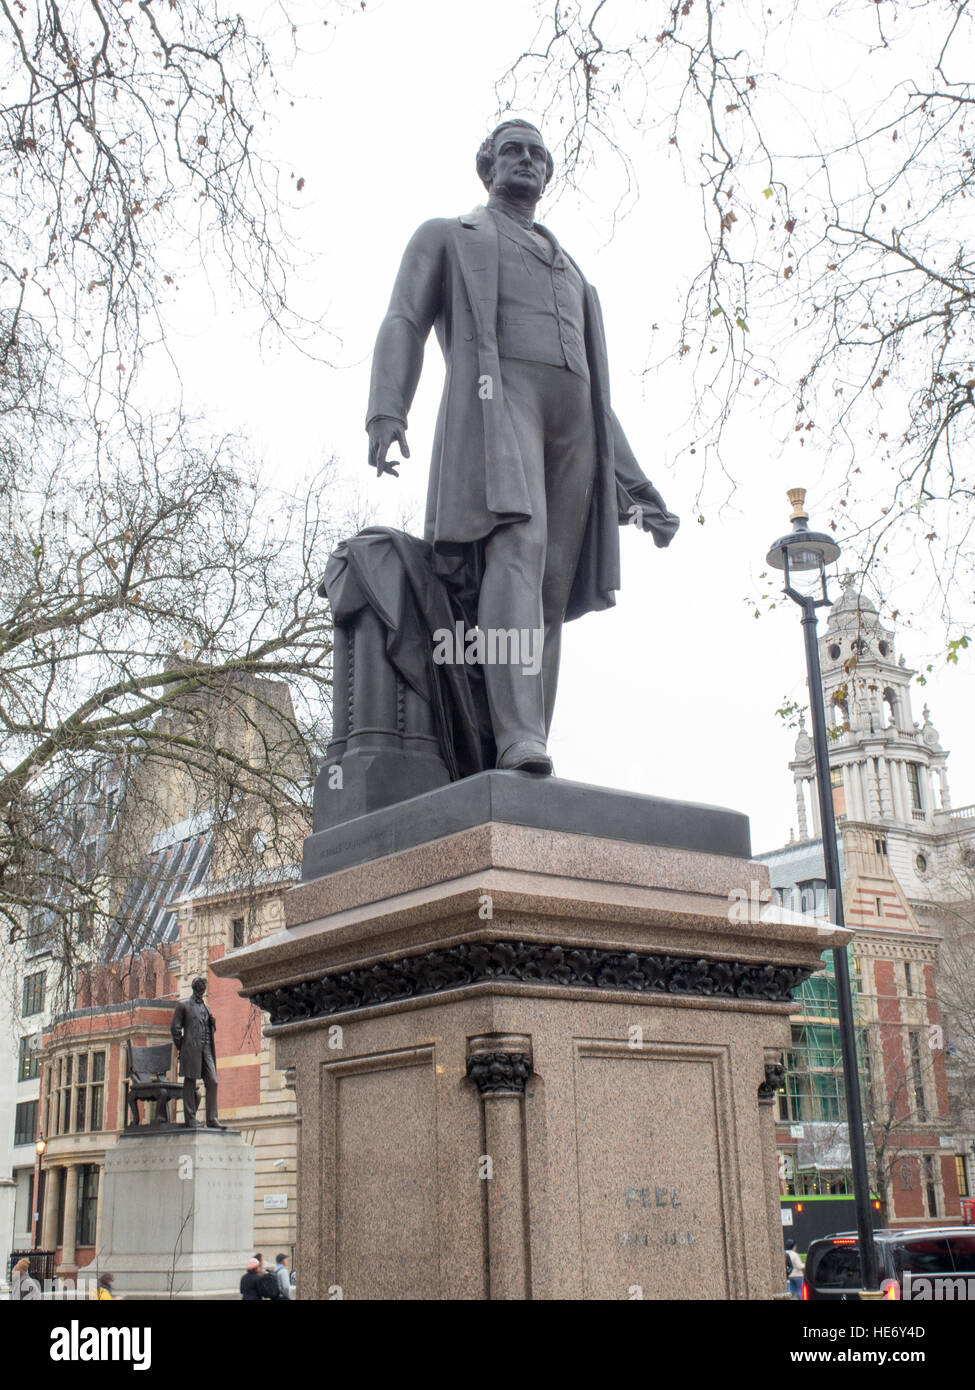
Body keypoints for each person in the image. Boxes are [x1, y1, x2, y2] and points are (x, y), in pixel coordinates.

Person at [367, 119, 678, 775]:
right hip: (497, 398)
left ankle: (529, 728)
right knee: (517, 545)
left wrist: (636, 486)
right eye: (513, 150)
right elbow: (403, 319)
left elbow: (597, 396)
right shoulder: (449, 235)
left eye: (538, 154)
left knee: (549, 583)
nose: (527, 161)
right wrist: (386, 408)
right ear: (487, 166)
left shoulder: (574, 274)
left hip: (573, 427)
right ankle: (515, 736)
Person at [171, 975, 225, 1129]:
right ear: (194, 988)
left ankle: (212, 1118)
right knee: (190, 1081)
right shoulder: (183, 1005)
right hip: (191, 1048)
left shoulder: (207, 1007)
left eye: (203, 988)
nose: (201, 990)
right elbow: (175, 1029)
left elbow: (208, 1028)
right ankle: (190, 1118)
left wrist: (212, 1025)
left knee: (213, 1081)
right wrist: (182, 1046)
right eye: (199, 988)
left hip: (206, 1047)